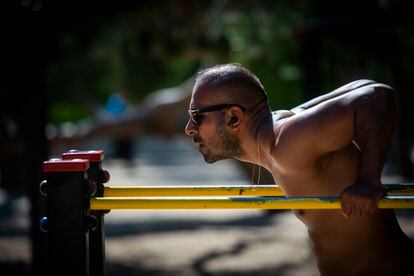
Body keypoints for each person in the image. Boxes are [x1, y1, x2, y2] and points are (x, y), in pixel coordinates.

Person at [184, 63, 414, 275]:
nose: (189, 129)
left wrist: (368, 181)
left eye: (197, 117)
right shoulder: (279, 132)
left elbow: (376, 96)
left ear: (234, 118)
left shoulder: (288, 143)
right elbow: (364, 86)